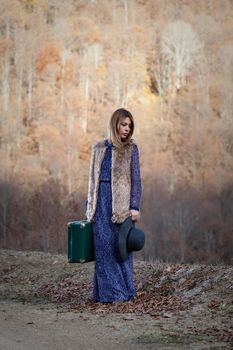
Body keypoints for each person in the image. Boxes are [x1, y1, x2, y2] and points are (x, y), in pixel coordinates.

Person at [86, 108, 142, 303]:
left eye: (129, 125)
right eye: (123, 124)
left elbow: (136, 180)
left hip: (121, 206)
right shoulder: (99, 148)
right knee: (102, 249)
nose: (127, 129)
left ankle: (122, 293)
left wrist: (135, 206)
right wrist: (89, 206)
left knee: (120, 249)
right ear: (115, 124)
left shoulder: (131, 149)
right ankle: (105, 295)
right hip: (100, 204)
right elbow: (92, 181)